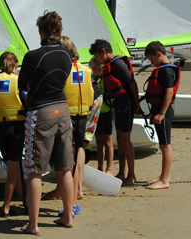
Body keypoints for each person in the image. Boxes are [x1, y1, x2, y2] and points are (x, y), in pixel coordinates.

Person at [18, 11, 75, 234]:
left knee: (34, 170)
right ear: (59, 31)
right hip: (63, 110)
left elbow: (22, 84)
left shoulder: (33, 56)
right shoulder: (67, 54)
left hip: (40, 111)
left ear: (40, 31)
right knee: (64, 168)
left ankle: (33, 225)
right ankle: (68, 217)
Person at [89, 39, 140, 187]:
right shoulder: (110, 65)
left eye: (98, 57)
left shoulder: (117, 63)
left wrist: (136, 104)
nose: (98, 60)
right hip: (118, 105)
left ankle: (131, 175)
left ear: (103, 51)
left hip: (126, 104)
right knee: (120, 138)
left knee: (125, 139)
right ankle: (122, 172)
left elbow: (132, 83)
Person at [0, 51, 26, 218]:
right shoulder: (19, 81)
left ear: (0, 66)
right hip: (16, 128)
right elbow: (27, 101)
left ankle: (26, 202)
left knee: (13, 166)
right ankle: (6, 207)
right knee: (12, 169)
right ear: (16, 65)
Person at [58, 36, 94, 214]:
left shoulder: (62, 70)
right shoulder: (86, 70)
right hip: (82, 116)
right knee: (78, 151)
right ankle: (77, 192)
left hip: (66, 116)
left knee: (66, 160)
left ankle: (69, 200)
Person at [143, 41, 179, 190]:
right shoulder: (163, 68)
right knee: (163, 144)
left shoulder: (165, 70)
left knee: (165, 145)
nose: (151, 63)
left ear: (158, 54)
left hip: (164, 112)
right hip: (158, 110)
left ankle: (165, 180)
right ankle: (164, 175)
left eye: (151, 59)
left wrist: (161, 114)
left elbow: (169, 92)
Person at [89, 56, 113, 175]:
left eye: (97, 67)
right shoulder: (92, 79)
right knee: (99, 143)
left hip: (107, 111)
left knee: (108, 142)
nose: (95, 70)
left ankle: (109, 169)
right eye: (93, 68)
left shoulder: (106, 78)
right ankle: (100, 168)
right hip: (96, 113)